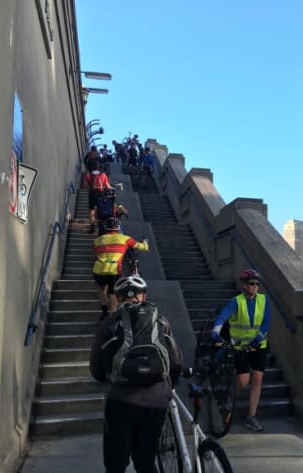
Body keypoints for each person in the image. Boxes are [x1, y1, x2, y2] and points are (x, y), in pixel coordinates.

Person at [90, 275, 183, 473]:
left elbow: (96, 370)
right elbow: (175, 361)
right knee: (146, 461)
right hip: (157, 401)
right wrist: (168, 387)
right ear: (143, 296)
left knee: (116, 462)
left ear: (118, 298)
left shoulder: (110, 322)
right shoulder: (161, 320)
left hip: (121, 401)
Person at [211, 268, 269, 432]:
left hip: (258, 346)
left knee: (257, 378)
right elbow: (222, 317)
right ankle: (230, 396)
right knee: (243, 381)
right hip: (240, 346)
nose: (255, 286)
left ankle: (251, 417)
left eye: (257, 284)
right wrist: (215, 332)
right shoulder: (236, 302)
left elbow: (266, 322)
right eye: (252, 284)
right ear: (244, 285)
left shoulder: (264, 300)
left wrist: (257, 340)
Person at [92, 217, 149, 319]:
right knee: (113, 293)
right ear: (118, 228)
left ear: (105, 228)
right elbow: (141, 247)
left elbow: (97, 253)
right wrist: (145, 243)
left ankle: (104, 311)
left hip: (99, 269)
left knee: (101, 289)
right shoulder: (125, 238)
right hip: (114, 270)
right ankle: (113, 316)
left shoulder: (98, 240)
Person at [84, 161, 115, 233]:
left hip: (92, 194)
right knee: (101, 211)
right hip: (100, 195)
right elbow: (108, 186)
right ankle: (102, 228)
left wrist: (91, 186)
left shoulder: (88, 174)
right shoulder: (103, 175)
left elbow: (85, 185)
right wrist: (113, 187)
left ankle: (92, 227)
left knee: (91, 211)